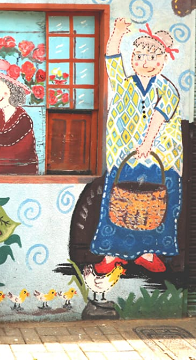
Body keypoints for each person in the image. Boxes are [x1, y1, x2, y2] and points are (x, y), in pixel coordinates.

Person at [91, 19, 183, 274]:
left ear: (162, 61)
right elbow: (111, 58)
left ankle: (149, 253)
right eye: (139, 56)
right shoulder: (124, 83)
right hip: (124, 157)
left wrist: (147, 144)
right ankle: (111, 257)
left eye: (152, 57)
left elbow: (158, 117)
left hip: (160, 158)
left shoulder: (168, 89)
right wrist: (118, 33)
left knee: (157, 206)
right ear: (132, 59)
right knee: (118, 205)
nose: (145, 61)